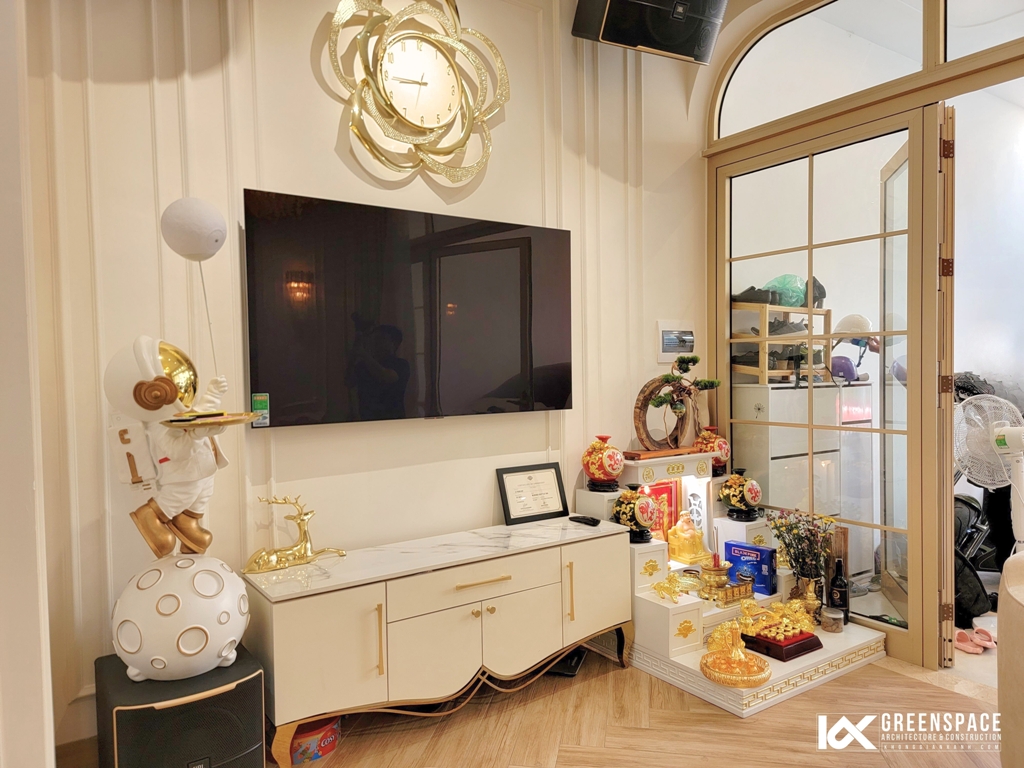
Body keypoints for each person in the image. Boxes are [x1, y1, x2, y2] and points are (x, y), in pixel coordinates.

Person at [347, 324, 410, 421]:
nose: (376, 342)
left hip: (394, 421)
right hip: (366, 420)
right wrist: (353, 357)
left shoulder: (401, 364)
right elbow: (349, 382)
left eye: (381, 338)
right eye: (374, 339)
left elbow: (387, 377)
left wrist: (363, 354)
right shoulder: (362, 365)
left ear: (394, 343)